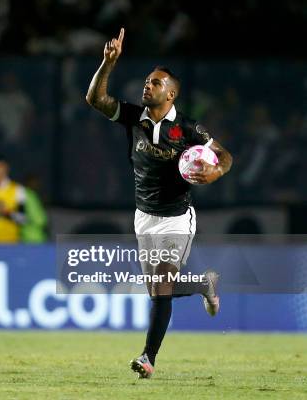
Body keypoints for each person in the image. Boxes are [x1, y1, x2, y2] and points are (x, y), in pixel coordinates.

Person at [85, 28, 233, 379]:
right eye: (147, 82)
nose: (146, 86)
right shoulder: (133, 117)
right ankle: (203, 284)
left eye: (155, 83)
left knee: (162, 286)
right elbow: (95, 99)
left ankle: (148, 358)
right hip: (144, 218)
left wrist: (215, 173)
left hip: (176, 218)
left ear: (171, 92)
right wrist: (107, 64)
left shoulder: (189, 129)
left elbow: (224, 156)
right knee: (157, 291)